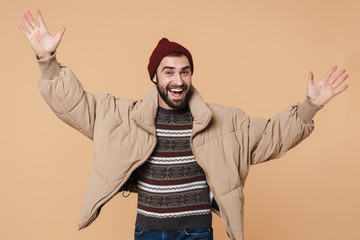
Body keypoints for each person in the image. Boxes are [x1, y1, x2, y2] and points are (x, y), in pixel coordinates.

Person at [19, 9, 348, 240]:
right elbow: (75, 104)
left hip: (197, 232)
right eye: (169, 71)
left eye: (185, 71)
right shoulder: (123, 116)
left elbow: (271, 138)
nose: (179, 79)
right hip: (147, 231)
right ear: (154, 76)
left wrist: (310, 106)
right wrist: (47, 63)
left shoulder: (223, 121)